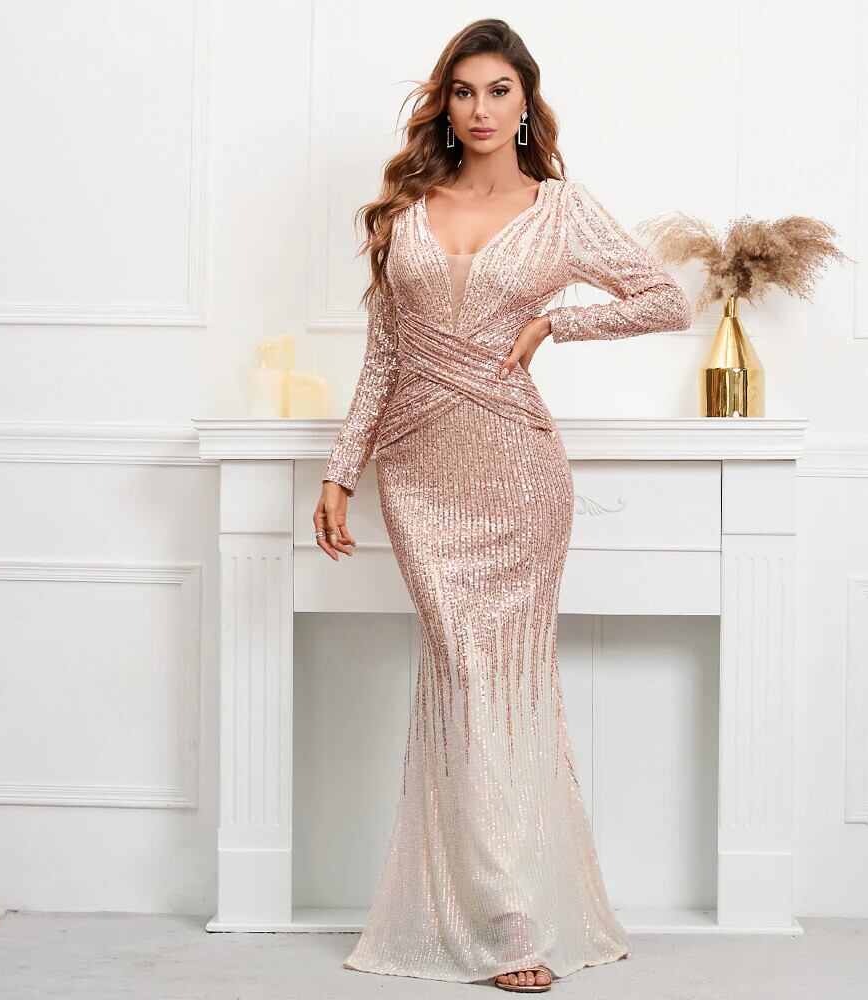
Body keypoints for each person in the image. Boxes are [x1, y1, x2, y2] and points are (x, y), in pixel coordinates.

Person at [314, 17, 691, 993]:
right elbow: (385, 356)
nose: (480, 108)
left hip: (518, 472)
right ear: (444, 104)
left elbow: (666, 299)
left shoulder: (560, 209)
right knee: (461, 673)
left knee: (505, 683)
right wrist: (341, 470)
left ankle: (516, 920)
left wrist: (557, 322)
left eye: (499, 91)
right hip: (418, 473)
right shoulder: (408, 210)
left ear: (526, 104)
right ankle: (483, 908)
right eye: (463, 90)